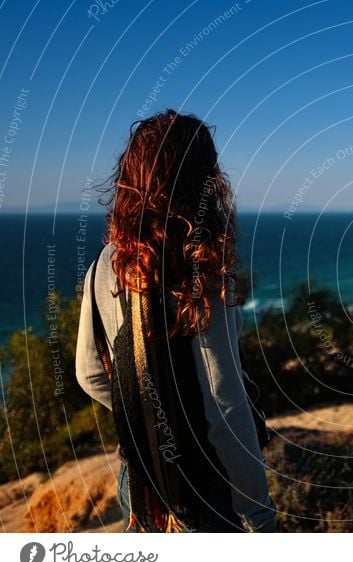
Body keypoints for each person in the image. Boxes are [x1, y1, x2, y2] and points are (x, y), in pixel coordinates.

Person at [75, 109, 276, 532]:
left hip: (142, 483)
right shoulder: (200, 269)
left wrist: (150, 418)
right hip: (203, 489)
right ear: (205, 181)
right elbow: (224, 405)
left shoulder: (104, 266)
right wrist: (259, 515)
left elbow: (89, 375)